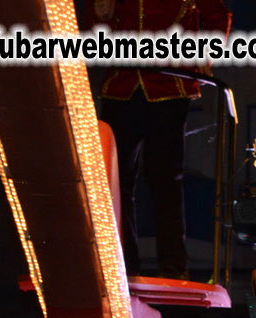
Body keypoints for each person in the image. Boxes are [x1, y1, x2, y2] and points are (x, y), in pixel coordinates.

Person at [95, 0, 231, 280]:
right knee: (116, 183)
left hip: (169, 84)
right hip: (122, 85)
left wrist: (206, 57)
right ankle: (122, 267)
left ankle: (173, 269)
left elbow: (218, 14)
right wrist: (103, 17)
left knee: (167, 181)